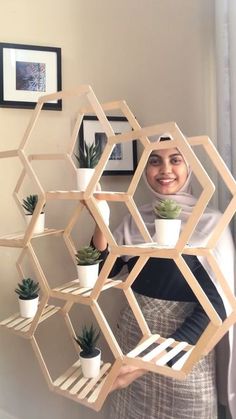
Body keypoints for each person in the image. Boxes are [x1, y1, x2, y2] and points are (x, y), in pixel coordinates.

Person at [91, 137, 235, 419]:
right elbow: (101, 273)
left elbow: (216, 309)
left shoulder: (211, 222)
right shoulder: (135, 219)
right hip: (132, 348)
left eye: (175, 160)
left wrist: (146, 364)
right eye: (154, 161)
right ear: (145, 170)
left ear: (190, 166)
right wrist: (100, 222)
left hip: (184, 361)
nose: (165, 169)